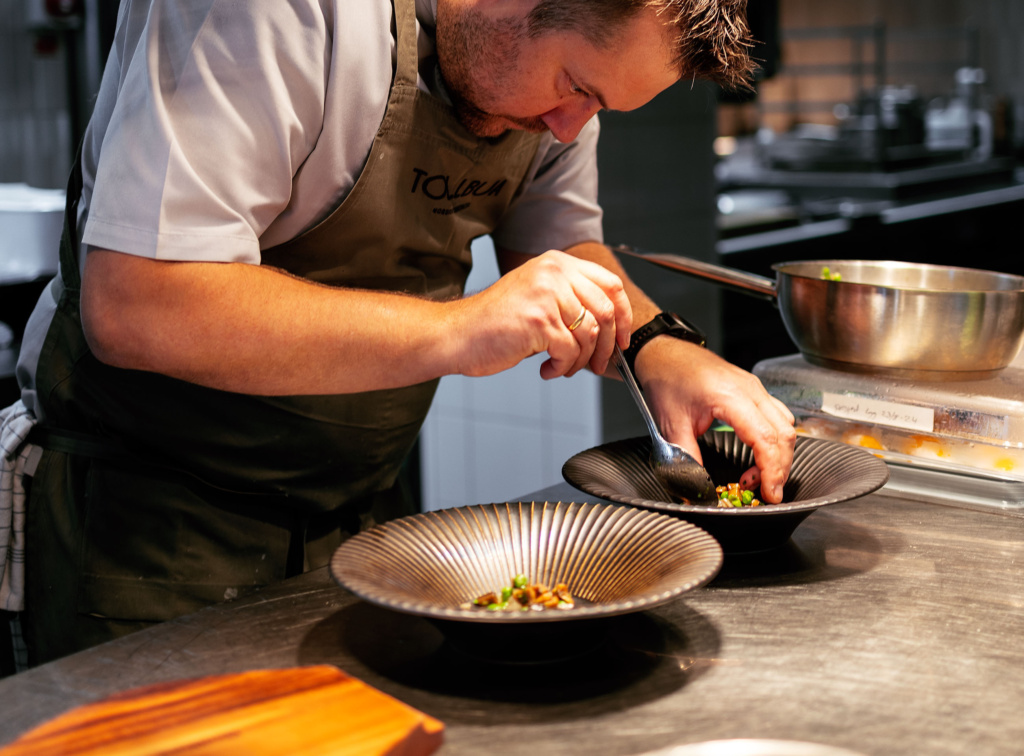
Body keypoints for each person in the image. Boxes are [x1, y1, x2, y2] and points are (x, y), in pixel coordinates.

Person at [7, 0, 795, 665]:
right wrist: (460, 329)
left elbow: (557, 241)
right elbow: (139, 304)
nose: (566, 128)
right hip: (145, 529)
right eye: (575, 87)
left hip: (362, 516)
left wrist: (661, 347)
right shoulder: (279, 15)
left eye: (597, 109)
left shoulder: (555, 92)